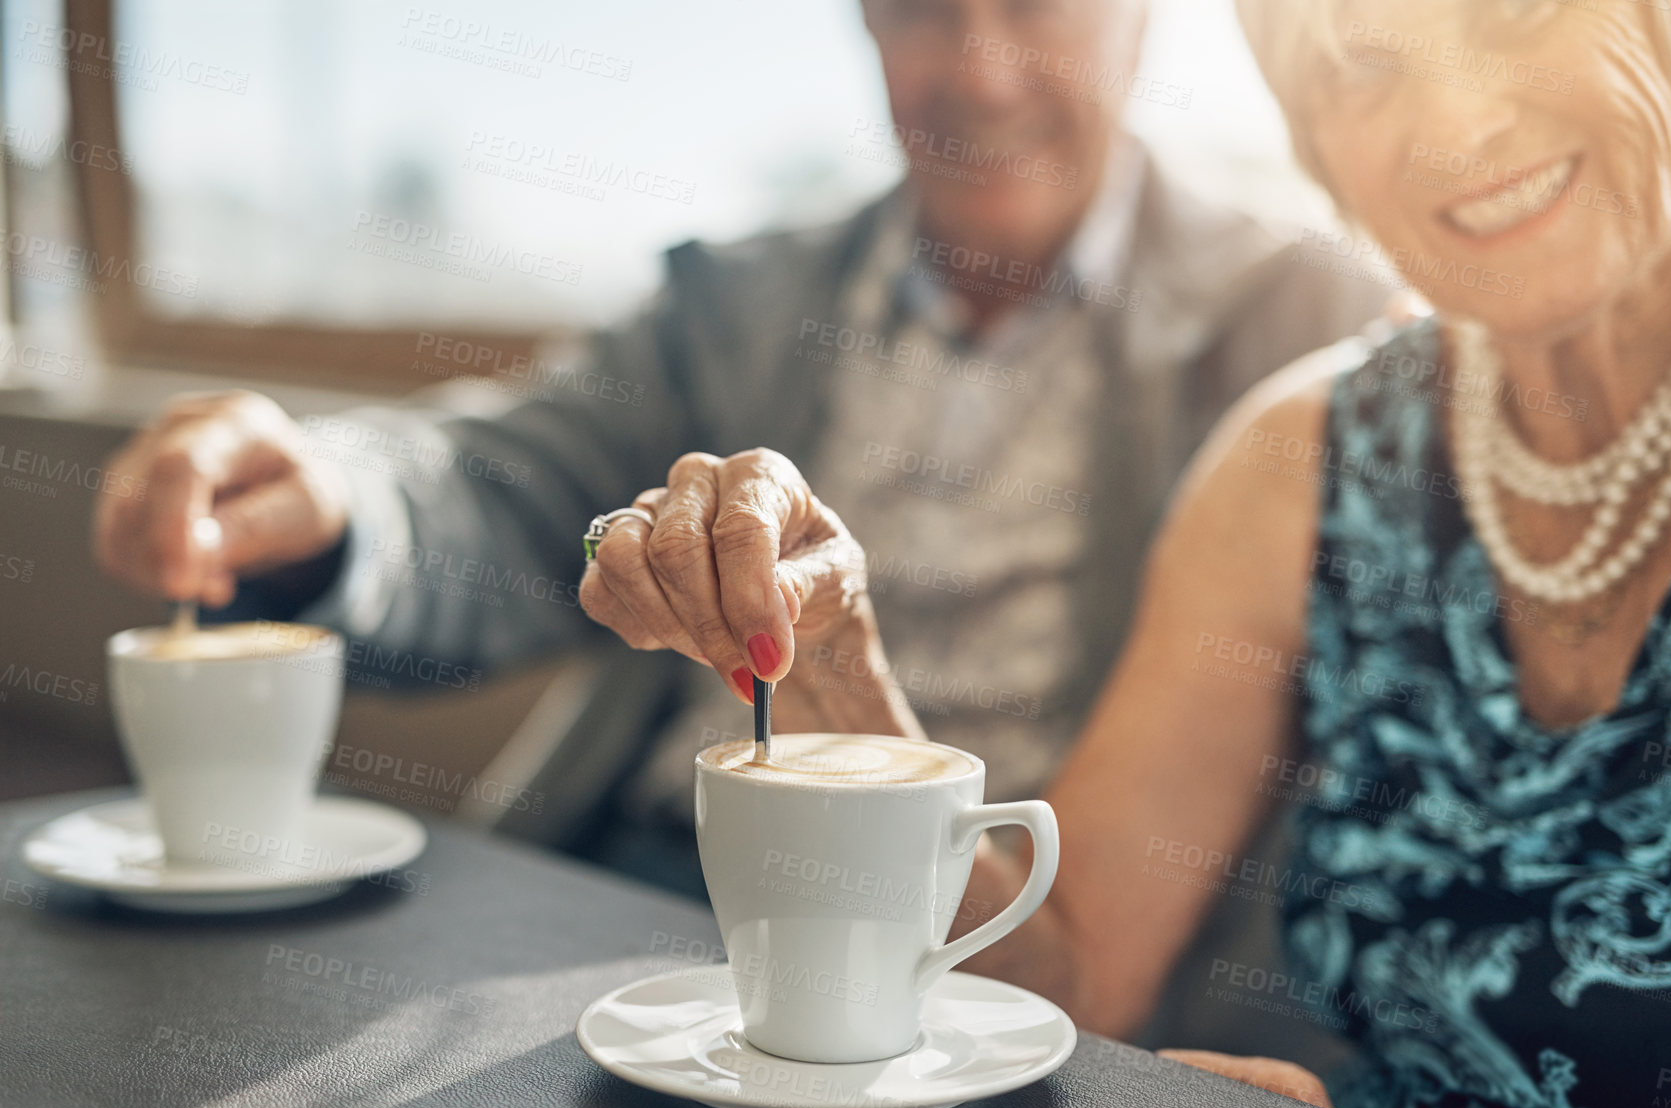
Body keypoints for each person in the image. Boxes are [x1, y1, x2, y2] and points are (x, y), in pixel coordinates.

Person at [569, 0, 1671, 1108]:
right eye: (1364, 67)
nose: (1458, 124)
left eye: (1517, 12)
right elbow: (1067, 969)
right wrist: (828, 661)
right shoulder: (1309, 455)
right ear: (1317, 143)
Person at [91, 0, 1388, 898]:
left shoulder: (1301, 327)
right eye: (923, 11)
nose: (978, 70)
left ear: (1140, 22)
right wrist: (331, 499)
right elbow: (500, 488)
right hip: (641, 887)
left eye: (1036, 6)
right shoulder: (738, 302)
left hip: (984, 949)